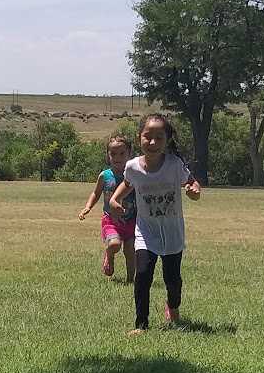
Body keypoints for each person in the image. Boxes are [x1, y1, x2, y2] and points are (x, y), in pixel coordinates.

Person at [110, 113, 201, 333]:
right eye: (148, 137)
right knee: (142, 275)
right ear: (139, 137)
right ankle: (141, 325)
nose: (153, 143)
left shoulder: (174, 165)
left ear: (168, 141)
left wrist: (194, 192)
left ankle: (173, 309)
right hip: (146, 232)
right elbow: (127, 183)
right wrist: (115, 199)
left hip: (172, 234)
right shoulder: (132, 167)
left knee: (172, 280)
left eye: (159, 138)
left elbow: (192, 184)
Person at [78, 133, 137, 281]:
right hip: (111, 220)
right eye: (113, 154)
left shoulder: (134, 175)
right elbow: (96, 193)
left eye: (122, 153)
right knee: (115, 244)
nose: (118, 157)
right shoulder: (104, 176)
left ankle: (131, 280)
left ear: (129, 154)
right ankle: (109, 254)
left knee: (131, 250)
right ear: (108, 155)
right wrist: (88, 207)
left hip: (131, 219)